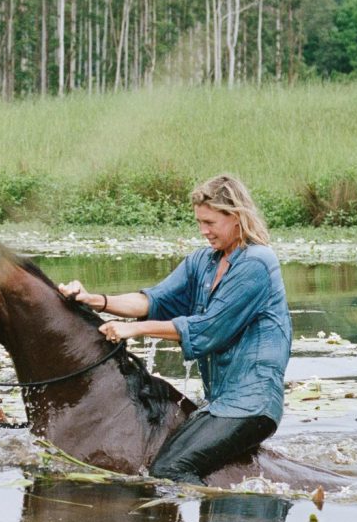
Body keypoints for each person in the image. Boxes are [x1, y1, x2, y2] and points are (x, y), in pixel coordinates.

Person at [58, 174, 292, 484]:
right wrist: (95, 300)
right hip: (221, 404)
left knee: (168, 469)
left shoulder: (257, 263)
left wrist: (135, 331)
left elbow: (209, 330)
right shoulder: (203, 262)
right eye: (199, 222)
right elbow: (151, 300)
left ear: (236, 216)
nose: (203, 231)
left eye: (210, 222)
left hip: (252, 405)